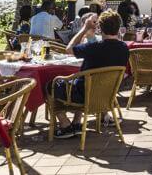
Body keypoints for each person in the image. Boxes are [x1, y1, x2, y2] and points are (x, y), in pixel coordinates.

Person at [53, 10, 129, 138]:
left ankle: (65, 125)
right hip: (106, 95)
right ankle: (77, 123)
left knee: (52, 85)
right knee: (82, 82)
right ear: (118, 28)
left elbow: (68, 49)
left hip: (83, 95)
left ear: (101, 28)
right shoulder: (124, 48)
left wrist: (84, 28)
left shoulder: (94, 48)